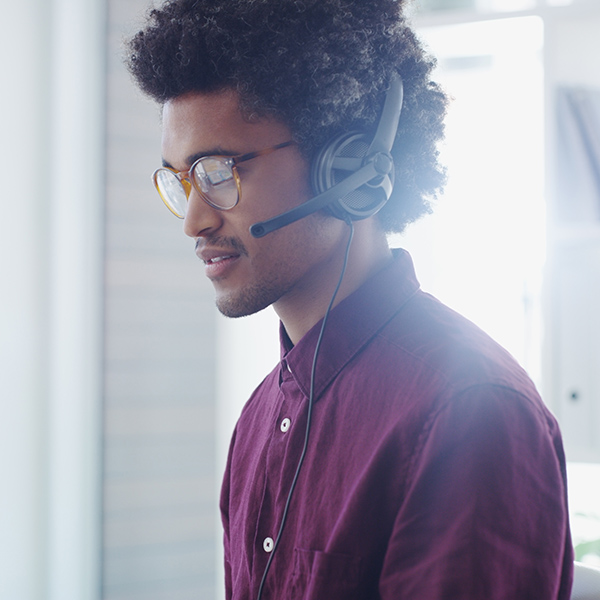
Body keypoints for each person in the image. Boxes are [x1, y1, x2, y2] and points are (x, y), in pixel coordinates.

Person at [126, 0, 574, 598]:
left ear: (350, 167)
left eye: (218, 171)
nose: (194, 221)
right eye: (182, 181)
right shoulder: (260, 418)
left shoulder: (472, 412)